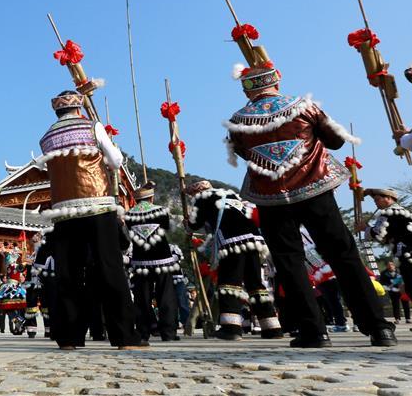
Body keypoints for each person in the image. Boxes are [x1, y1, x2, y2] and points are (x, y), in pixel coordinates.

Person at [225, 62, 395, 347]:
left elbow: (243, 153)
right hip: (315, 189)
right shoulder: (304, 106)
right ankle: (378, 327)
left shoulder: (239, 119)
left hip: (270, 197)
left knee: (289, 262)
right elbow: (336, 141)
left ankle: (313, 331)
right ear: (276, 82)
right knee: (344, 255)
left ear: (246, 89)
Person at [38, 91, 143, 350]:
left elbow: (46, 169)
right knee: (109, 267)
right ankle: (124, 336)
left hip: (63, 210)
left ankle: (69, 337)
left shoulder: (47, 137)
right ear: (79, 107)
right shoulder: (92, 126)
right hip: (97, 204)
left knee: (68, 273)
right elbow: (116, 160)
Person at [185, 180, 282, 340]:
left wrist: (187, 225)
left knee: (229, 283)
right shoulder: (230, 194)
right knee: (255, 284)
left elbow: (195, 224)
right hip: (254, 241)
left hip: (233, 242)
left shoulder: (202, 198)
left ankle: (231, 328)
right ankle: (271, 327)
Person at [363, 188, 412, 331]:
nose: (375, 202)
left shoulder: (389, 213)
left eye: (377, 199)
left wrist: (365, 228)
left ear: (388, 198)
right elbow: (388, 237)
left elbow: (378, 234)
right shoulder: (400, 213)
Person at [125, 182, 180, 342]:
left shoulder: (129, 215)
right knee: (166, 296)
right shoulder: (162, 211)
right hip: (163, 259)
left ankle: (143, 332)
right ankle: (168, 333)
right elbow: (168, 228)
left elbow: (129, 234)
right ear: (152, 197)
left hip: (141, 262)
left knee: (142, 298)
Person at [23, 229, 55, 339]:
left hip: (43, 282)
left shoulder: (46, 253)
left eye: (37, 235)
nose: (35, 238)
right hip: (31, 283)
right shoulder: (30, 255)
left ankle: (49, 329)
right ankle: (31, 329)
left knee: (46, 305)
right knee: (31, 305)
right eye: (34, 236)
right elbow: (23, 267)